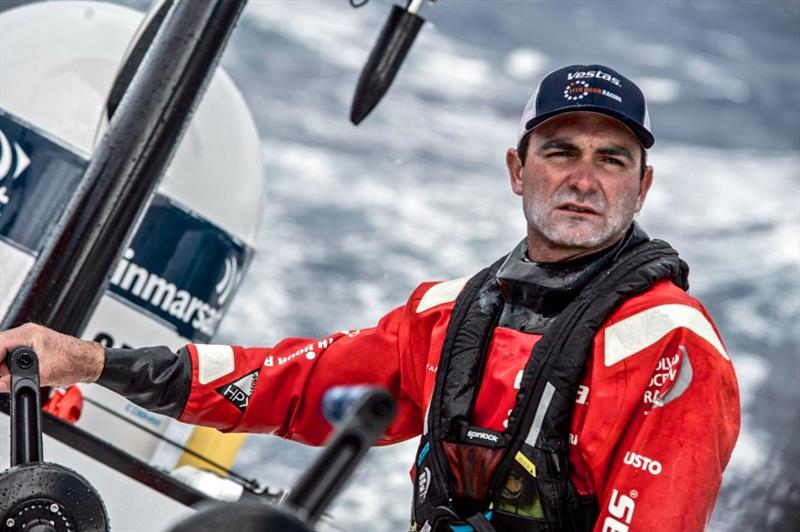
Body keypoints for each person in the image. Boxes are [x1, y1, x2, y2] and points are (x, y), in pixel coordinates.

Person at [0, 64, 739, 532]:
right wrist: (91, 361)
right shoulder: (448, 317)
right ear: (519, 170)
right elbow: (288, 383)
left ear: (641, 187)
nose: (584, 179)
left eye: (612, 160)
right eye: (560, 151)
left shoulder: (675, 349)